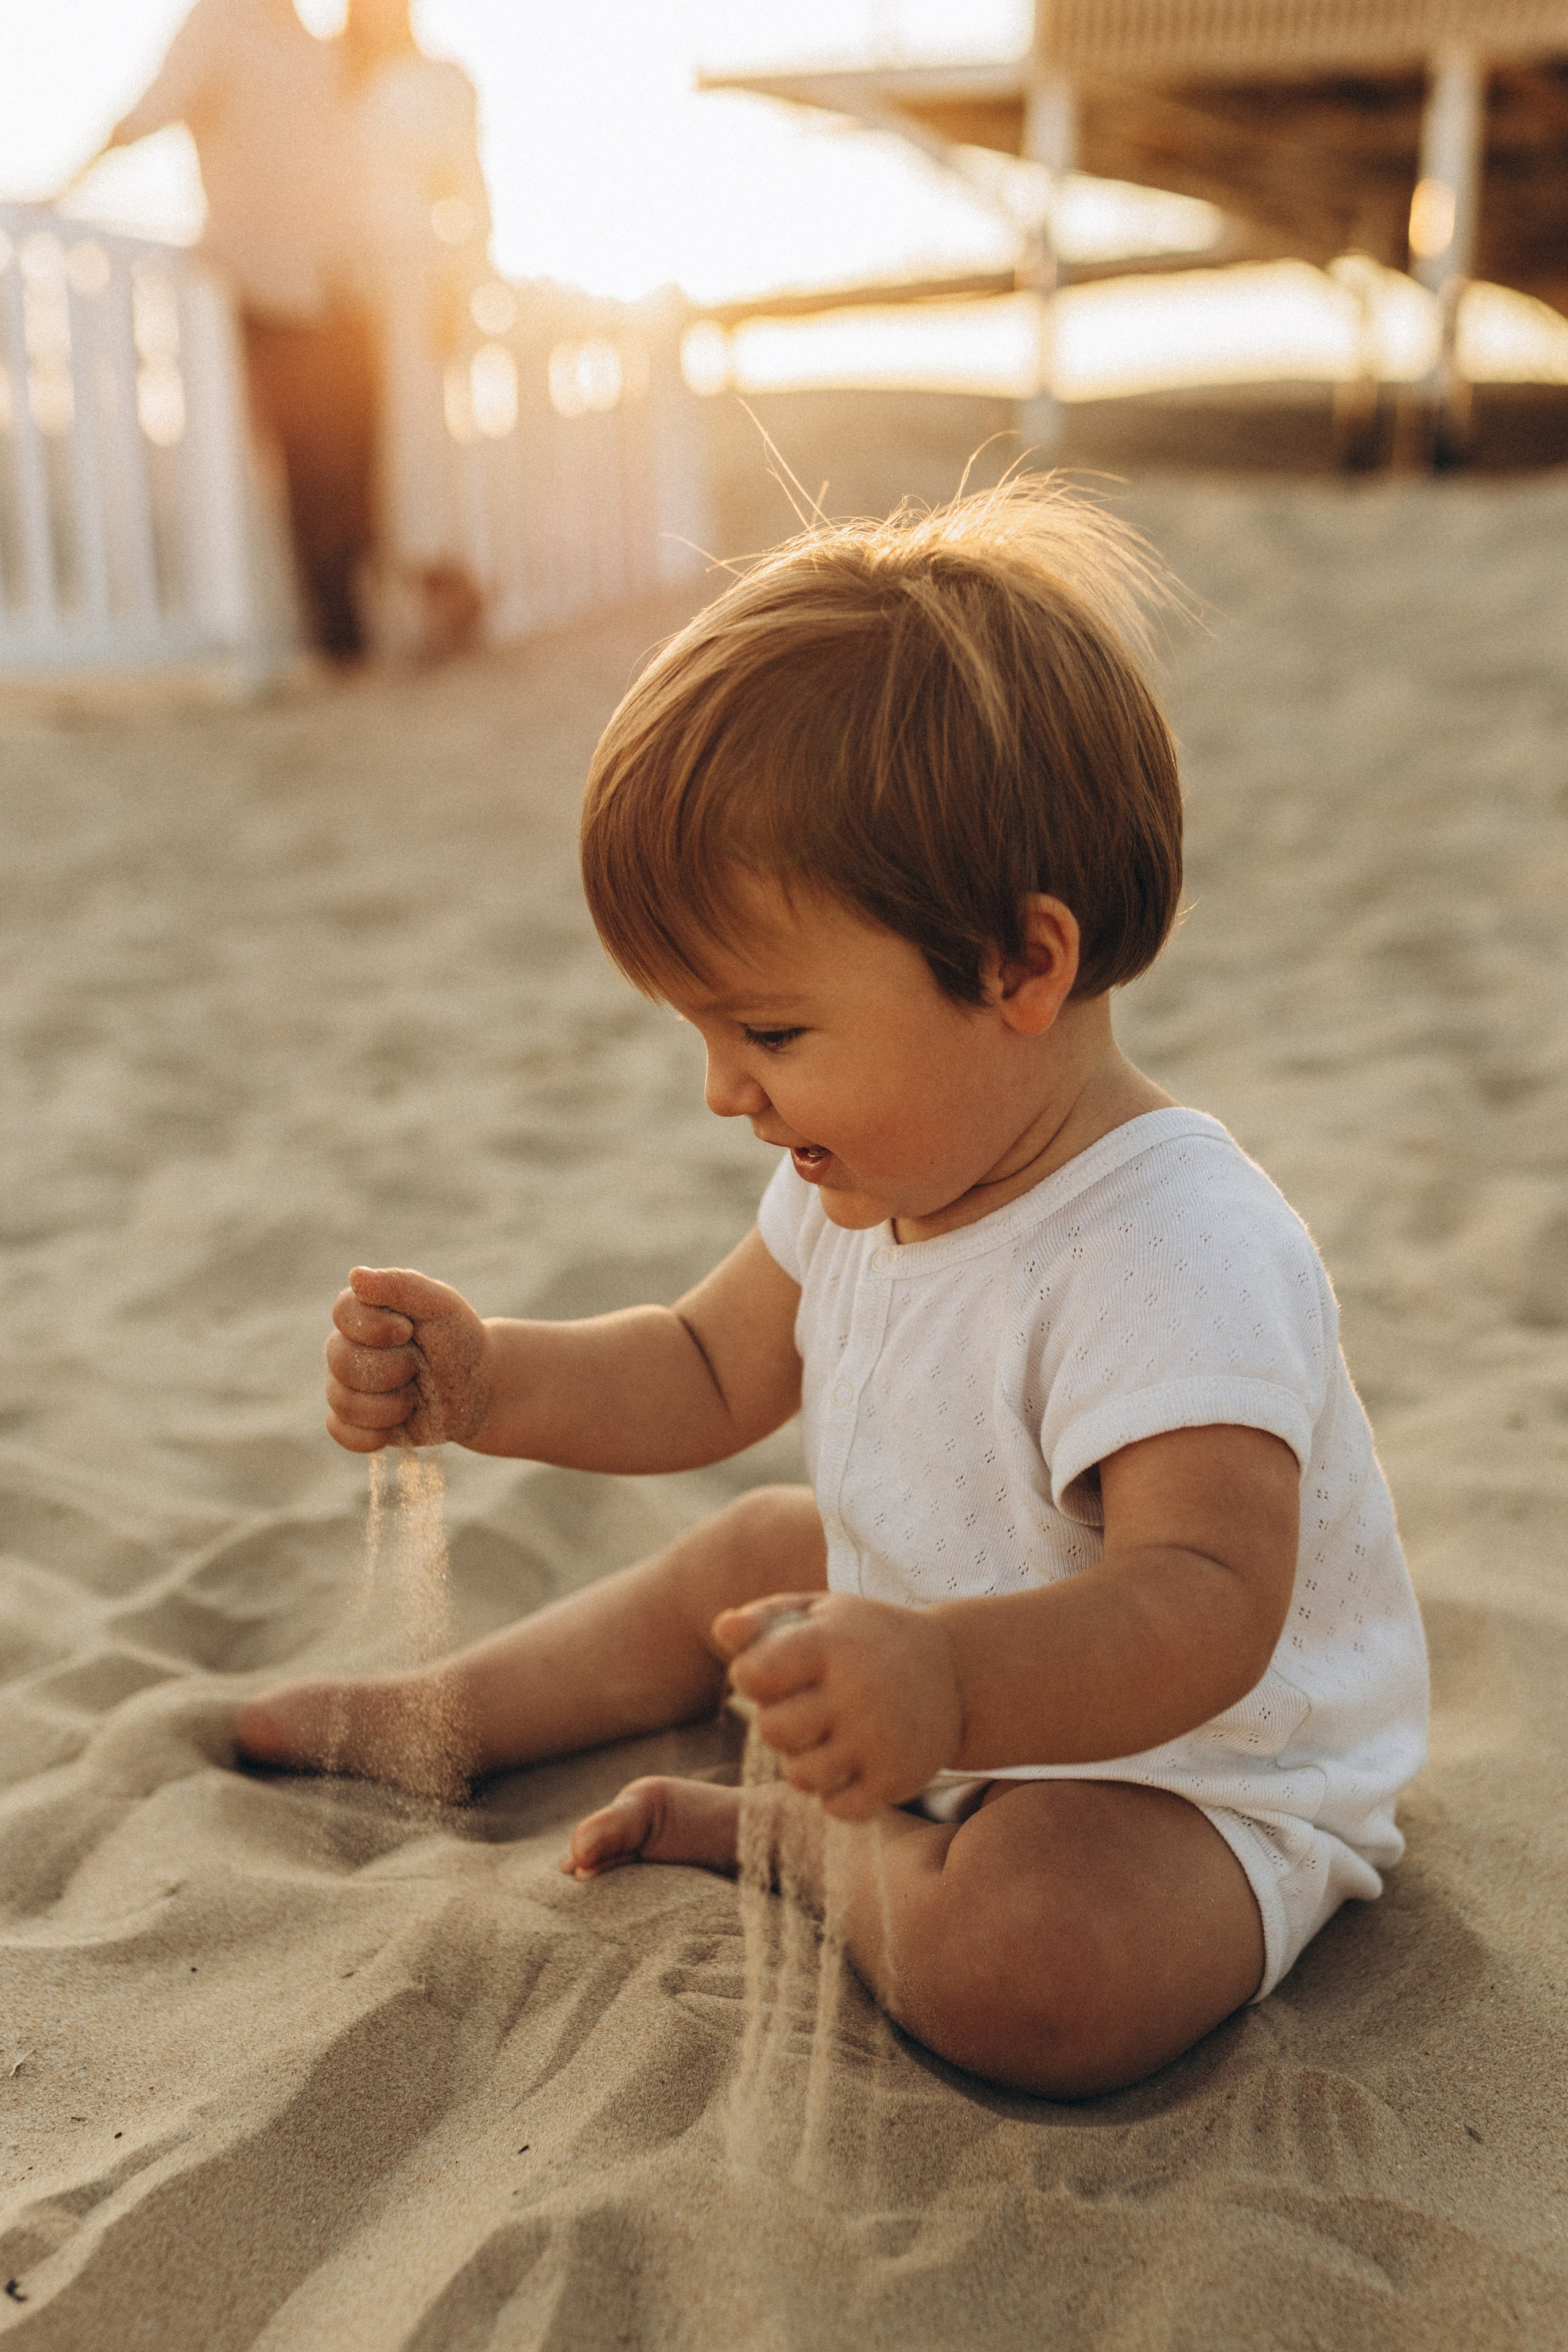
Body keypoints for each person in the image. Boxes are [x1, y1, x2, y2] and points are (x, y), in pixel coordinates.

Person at [236, 481, 1430, 2100]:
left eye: (773, 1036)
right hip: (937, 1647)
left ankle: (798, 1847)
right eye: (704, 1037)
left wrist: (947, 1686)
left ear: (1023, 967)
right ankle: (432, 1717)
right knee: (747, 1551)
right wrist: (489, 1382)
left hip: (1187, 1771)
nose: (728, 1092)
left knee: (1037, 1973)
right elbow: (701, 1369)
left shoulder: (1176, 1246)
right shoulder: (873, 1171)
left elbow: (1212, 1603)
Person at [82, 0, 375, 657]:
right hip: (266, 286)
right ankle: (333, 640)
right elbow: (147, 113)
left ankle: (350, 634)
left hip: (338, 289)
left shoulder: (308, 37)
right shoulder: (216, 23)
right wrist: (68, 184)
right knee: (301, 469)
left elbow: (341, 159)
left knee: (345, 469)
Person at [344, 0, 490, 659]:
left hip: (412, 284)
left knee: (420, 447)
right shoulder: (341, 78)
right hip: (343, 294)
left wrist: (459, 279)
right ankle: (404, 609)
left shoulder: (440, 82)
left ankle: (444, 600)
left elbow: (468, 190)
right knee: (370, 451)